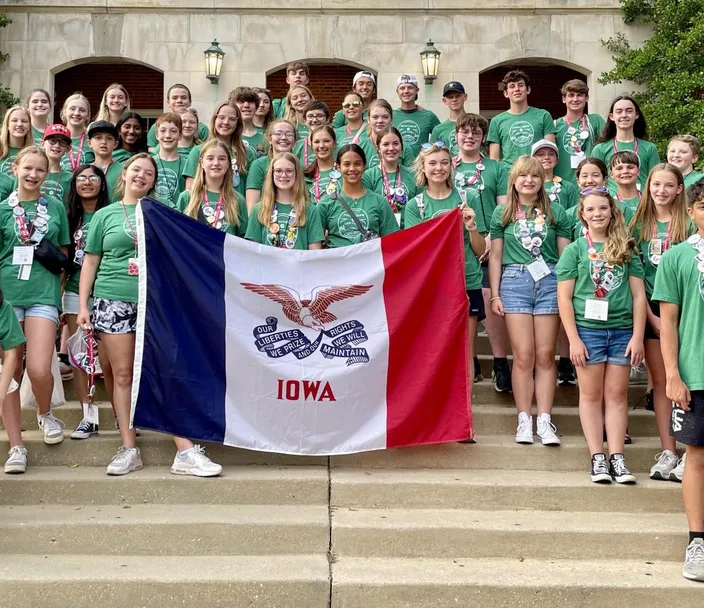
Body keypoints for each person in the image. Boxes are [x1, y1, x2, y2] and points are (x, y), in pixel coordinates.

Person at [78, 154, 223, 477]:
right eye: (136, 170)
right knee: (124, 374)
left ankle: (184, 450)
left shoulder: (160, 214)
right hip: (113, 299)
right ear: (124, 174)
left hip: (155, 301)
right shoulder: (105, 215)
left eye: (149, 173)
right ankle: (129, 448)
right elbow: (90, 261)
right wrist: (83, 305)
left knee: (163, 370)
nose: (141, 176)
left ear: (154, 181)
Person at [557, 187, 645, 483]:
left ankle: (618, 457)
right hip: (588, 331)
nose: (597, 214)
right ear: (582, 214)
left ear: (612, 212)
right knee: (591, 396)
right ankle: (597, 457)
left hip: (621, 331)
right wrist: (574, 339)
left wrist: (637, 336)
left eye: (603, 209)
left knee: (617, 396)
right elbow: (564, 299)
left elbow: (638, 297)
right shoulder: (575, 250)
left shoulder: (626, 248)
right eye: (591, 209)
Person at [489, 155, 571, 445]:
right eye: (523, 176)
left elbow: (565, 258)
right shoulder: (503, 213)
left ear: (542, 180)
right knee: (523, 355)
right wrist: (496, 293)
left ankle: (545, 420)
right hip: (514, 282)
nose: (529, 180)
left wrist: (565, 291)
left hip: (549, 280)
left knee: (546, 355)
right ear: (514, 180)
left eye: (535, 176)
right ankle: (524, 419)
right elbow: (495, 256)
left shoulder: (556, 212)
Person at [0, 146, 70, 473]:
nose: (33, 175)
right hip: (7, 297)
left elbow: (64, 253)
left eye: (40, 170)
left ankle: (45, 413)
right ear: (15, 168)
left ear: (47, 173)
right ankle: (16, 446)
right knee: (10, 373)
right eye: (28, 168)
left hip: (43, 293)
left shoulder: (55, 207)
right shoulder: (2, 209)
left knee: (40, 368)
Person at [653, 179, 704, 581]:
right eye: (702, 205)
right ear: (691, 211)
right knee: (698, 458)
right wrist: (672, 375)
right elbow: (667, 323)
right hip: (696, 373)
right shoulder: (676, 258)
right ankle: (697, 541)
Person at [405, 141, 486, 392]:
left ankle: (465, 417)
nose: (438, 168)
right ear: (423, 168)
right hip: (434, 287)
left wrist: (471, 226)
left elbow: (481, 249)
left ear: (451, 166)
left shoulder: (466, 197)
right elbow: (415, 254)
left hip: (467, 281)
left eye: (443, 162)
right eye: (432, 163)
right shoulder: (415, 205)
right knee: (434, 349)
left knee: (465, 350)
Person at [629, 163, 692, 481]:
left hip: (688, 308)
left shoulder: (690, 224)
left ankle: (689, 452)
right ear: (648, 186)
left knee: (689, 381)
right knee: (664, 381)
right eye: (656, 185)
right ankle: (669, 451)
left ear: (680, 189)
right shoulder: (637, 224)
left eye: (669, 185)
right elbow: (634, 274)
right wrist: (651, 317)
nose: (662, 191)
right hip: (652, 308)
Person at [453, 113, 511, 390]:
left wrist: (490, 237)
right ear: (456, 136)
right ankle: (470, 360)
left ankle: (500, 362)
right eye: (465, 132)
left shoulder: (495, 168)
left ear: (483, 138)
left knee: (489, 295)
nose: (470, 137)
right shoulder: (446, 166)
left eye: (476, 133)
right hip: (453, 245)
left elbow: (502, 207)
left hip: (486, 240)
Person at [63, 165, 111, 439]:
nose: (88, 182)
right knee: (80, 355)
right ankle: (88, 416)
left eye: (94, 177)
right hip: (74, 291)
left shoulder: (114, 213)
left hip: (108, 291)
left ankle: (121, 414)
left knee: (109, 355)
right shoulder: (69, 216)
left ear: (103, 184)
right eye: (81, 178)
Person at [318, 144, 399, 247]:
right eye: (346, 164)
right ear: (338, 167)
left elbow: (393, 242)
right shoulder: (326, 203)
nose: (352, 169)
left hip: (370, 261)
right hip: (336, 262)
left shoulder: (379, 202)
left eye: (357, 164)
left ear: (364, 165)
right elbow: (315, 245)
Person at [246, 151, 324, 249]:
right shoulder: (258, 209)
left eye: (289, 171)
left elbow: (315, 253)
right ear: (272, 174)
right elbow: (253, 252)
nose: (283, 175)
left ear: (297, 174)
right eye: (278, 171)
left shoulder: (310, 210)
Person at [183, 101, 257, 200]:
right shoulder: (198, 151)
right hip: (205, 210)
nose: (226, 122)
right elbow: (190, 190)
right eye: (221, 117)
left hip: (235, 210)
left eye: (232, 119)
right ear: (214, 119)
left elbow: (252, 193)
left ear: (237, 123)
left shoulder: (247, 153)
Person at [487, 70, 557, 171]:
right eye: (512, 86)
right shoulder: (496, 121)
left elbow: (551, 152)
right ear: (506, 93)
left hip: (536, 173)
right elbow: (494, 159)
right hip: (508, 175)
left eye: (520, 85)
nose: (517, 89)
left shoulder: (543, 115)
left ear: (528, 90)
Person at [176, 140, 248, 236]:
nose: (216, 163)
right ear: (202, 162)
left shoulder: (238, 200)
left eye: (222, 159)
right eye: (210, 158)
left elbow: (243, 243)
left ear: (228, 164)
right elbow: (176, 235)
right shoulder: (187, 197)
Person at [592, 95, 660, 191]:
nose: (624, 115)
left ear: (636, 115)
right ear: (611, 116)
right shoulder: (600, 149)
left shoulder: (650, 148)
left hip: (642, 203)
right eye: (619, 111)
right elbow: (595, 181)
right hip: (612, 203)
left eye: (629, 111)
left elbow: (656, 179)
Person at [553, 80, 606, 186]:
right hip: (562, 184)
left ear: (587, 98)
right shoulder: (554, 125)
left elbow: (607, 148)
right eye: (571, 95)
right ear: (564, 99)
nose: (575, 99)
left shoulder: (595, 120)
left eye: (580, 95)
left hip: (590, 183)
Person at [362, 127, 417, 227]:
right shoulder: (368, 176)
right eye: (386, 144)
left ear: (401, 147)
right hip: (380, 235)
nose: (391, 148)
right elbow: (368, 209)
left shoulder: (413, 175)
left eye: (396, 143)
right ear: (378, 148)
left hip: (409, 233)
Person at [245, 120, 298, 211]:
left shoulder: (298, 165)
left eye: (289, 134)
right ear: (270, 139)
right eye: (278, 133)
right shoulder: (258, 165)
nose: (284, 137)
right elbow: (251, 206)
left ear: (294, 140)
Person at [147, 84, 209, 151]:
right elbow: (152, 152)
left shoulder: (202, 129)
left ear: (190, 102)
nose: (179, 100)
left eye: (184, 97)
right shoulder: (157, 126)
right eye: (175, 98)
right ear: (168, 102)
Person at [392, 73, 440, 158]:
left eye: (410, 87)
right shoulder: (390, 116)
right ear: (397, 92)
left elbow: (441, 138)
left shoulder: (428, 116)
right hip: (397, 166)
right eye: (402, 88)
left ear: (417, 90)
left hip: (420, 167)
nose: (406, 91)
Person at [360, 99, 415, 169]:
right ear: (368, 120)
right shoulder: (361, 148)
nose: (380, 121)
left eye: (385, 117)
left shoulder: (405, 148)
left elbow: (411, 177)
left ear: (391, 119)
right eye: (375, 117)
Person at [0, 287, 25, 427]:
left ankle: (16, 444)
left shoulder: (4, 307)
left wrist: (0, 396)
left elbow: (10, 355)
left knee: (6, 380)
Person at [531, 139, 579, 210]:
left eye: (551, 154)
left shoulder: (568, 187)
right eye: (541, 154)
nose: (546, 157)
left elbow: (574, 216)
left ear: (557, 160)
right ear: (532, 160)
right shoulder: (528, 185)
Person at [152, 112, 186, 208]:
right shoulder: (150, 162)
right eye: (163, 131)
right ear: (157, 135)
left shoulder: (187, 163)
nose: (167, 135)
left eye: (173, 131)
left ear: (180, 135)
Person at [87, 120, 123, 203]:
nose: (104, 142)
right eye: (98, 138)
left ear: (115, 144)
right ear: (89, 143)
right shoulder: (85, 171)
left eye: (109, 138)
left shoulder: (123, 170)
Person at [303, 125, 340, 204]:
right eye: (317, 142)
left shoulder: (344, 172)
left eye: (326, 141)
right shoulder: (304, 176)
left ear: (334, 143)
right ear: (312, 146)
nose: (321, 146)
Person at [430, 81, 467, 157]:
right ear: (444, 100)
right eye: (450, 97)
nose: (454, 99)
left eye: (458, 96)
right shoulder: (438, 129)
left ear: (465, 97)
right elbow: (433, 155)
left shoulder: (476, 123)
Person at [60, 93, 95, 172]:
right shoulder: (55, 138)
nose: (76, 113)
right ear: (64, 112)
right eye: (72, 109)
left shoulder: (93, 140)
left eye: (82, 110)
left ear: (88, 115)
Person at [230, 86, 268, 158]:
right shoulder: (227, 138)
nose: (246, 105)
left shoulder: (266, 140)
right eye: (241, 101)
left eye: (250, 102)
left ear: (256, 106)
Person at [39, 124, 73, 205]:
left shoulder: (71, 178)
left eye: (63, 142)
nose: (57, 145)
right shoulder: (31, 172)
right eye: (52, 141)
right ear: (42, 144)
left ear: (68, 149)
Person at [292, 101, 330, 168]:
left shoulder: (335, 146)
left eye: (319, 116)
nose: (314, 120)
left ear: (327, 119)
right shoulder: (297, 146)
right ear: (304, 120)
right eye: (310, 116)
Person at [0, 106, 33, 177]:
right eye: (14, 120)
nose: (19, 124)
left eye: (24, 121)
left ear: (29, 126)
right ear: (7, 125)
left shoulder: (34, 153)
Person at [609, 151, 641, 215]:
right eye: (619, 168)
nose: (625, 171)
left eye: (630, 167)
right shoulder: (609, 204)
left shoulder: (649, 200)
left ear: (638, 172)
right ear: (611, 174)